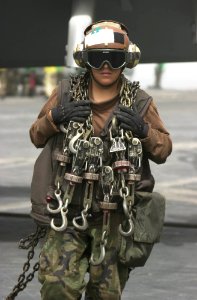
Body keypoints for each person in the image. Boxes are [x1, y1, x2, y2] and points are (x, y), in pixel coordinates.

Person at [29, 20, 172, 300]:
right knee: (57, 287)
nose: (106, 66)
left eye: (114, 58)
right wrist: (54, 118)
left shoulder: (140, 102)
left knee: (105, 294)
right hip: (67, 211)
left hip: (115, 215)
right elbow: (36, 135)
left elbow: (163, 150)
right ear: (85, 60)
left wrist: (144, 131)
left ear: (128, 60)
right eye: (98, 58)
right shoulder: (65, 93)